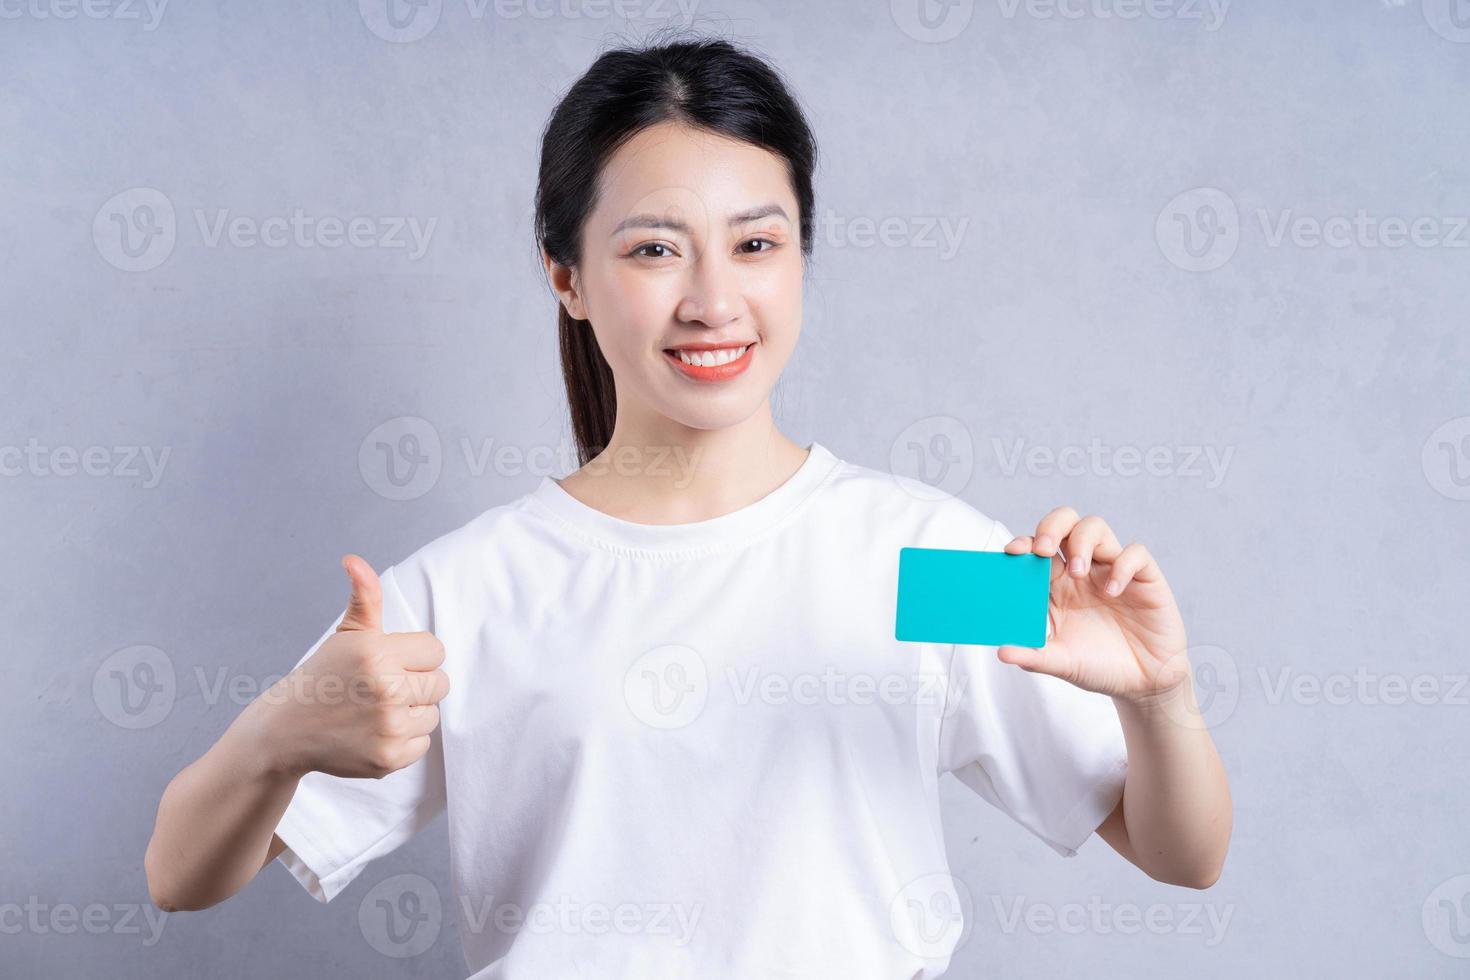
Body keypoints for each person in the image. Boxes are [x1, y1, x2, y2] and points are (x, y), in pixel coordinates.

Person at [144, 30, 1232, 978]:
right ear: (565, 275)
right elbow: (178, 875)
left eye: (756, 243)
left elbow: (1183, 852)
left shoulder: (926, 555)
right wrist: (275, 733)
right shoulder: (473, 588)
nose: (714, 299)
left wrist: (1158, 693)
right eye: (655, 249)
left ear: (802, 255)